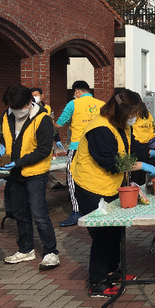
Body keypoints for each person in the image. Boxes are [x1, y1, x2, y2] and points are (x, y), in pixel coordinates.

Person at [70, 89, 155, 297]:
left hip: (111, 187)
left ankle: (112, 272)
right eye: (132, 113)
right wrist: (140, 165)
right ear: (121, 111)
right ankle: (97, 282)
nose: (135, 117)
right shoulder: (100, 128)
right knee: (103, 235)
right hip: (92, 188)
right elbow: (110, 162)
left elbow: (129, 148)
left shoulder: (119, 125)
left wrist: (149, 153)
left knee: (114, 232)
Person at [0, 84, 60, 269]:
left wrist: (18, 161)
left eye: (19, 108)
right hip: (14, 174)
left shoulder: (42, 119)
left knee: (39, 214)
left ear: (29, 102)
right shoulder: (7, 114)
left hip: (35, 173)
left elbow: (44, 150)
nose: (15, 111)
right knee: (20, 213)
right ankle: (25, 249)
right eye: (12, 108)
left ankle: (51, 252)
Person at [55, 81, 106, 227]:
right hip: (97, 146)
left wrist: (50, 125)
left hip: (77, 146)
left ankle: (77, 211)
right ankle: (99, 207)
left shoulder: (73, 104)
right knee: (95, 175)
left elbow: (60, 123)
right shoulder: (101, 104)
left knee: (72, 176)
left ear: (77, 91)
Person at [131, 102, 155, 185]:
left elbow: (152, 129)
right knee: (136, 174)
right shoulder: (132, 116)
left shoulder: (147, 115)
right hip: (135, 145)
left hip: (146, 146)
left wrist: (153, 145)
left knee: (147, 175)